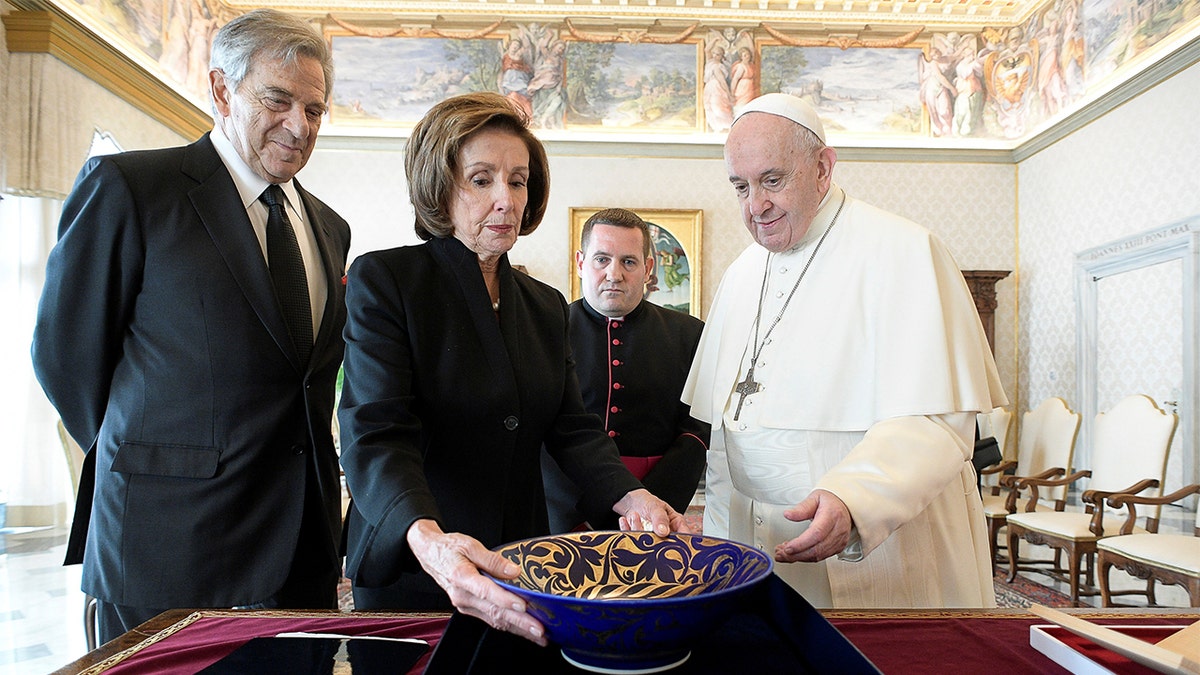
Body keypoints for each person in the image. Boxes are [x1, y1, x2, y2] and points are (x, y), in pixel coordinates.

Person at [31, 9, 351, 643]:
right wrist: (153, 460)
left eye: (314, 110)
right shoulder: (133, 188)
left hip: (302, 550)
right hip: (168, 544)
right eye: (278, 99)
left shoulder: (329, 226)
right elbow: (66, 358)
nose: (299, 125)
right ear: (222, 89)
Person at [337, 92, 690, 645]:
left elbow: (572, 427)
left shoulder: (544, 304)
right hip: (420, 560)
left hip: (522, 556)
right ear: (440, 185)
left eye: (519, 181)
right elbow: (375, 433)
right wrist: (427, 539)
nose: (506, 200)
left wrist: (630, 495)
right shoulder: (388, 282)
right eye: (482, 180)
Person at [682, 92, 1007, 608]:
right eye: (740, 187)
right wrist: (724, 545)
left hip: (883, 543)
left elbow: (938, 420)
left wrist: (856, 500)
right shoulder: (741, 275)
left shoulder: (904, 250)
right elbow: (727, 434)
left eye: (772, 179)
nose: (755, 206)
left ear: (822, 167)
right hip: (759, 546)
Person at [542, 208, 710, 532]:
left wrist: (653, 502)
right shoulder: (545, 329)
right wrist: (576, 507)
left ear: (648, 268)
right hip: (565, 507)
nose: (614, 274)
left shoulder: (690, 334)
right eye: (601, 259)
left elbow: (696, 431)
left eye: (628, 262)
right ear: (581, 263)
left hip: (656, 510)